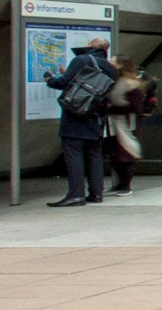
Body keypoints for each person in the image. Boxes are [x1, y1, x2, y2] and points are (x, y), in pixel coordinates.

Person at [44, 36, 116, 207]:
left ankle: (76, 195)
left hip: (76, 115)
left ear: (91, 45)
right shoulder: (110, 68)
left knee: (74, 154)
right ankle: (96, 193)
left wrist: (50, 79)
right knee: (94, 155)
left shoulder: (82, 60)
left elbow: (63, 82)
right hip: (97, 117)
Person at [105, 58, 156, 196]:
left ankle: (125, 185)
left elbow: (134, 107)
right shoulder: (119, 82)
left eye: (114, 63)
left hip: (128, 124)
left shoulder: (132, 85)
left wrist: (112, 109)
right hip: (116, 123)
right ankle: (120, 184)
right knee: (116, 155)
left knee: (126, 154)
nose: (111, 65)